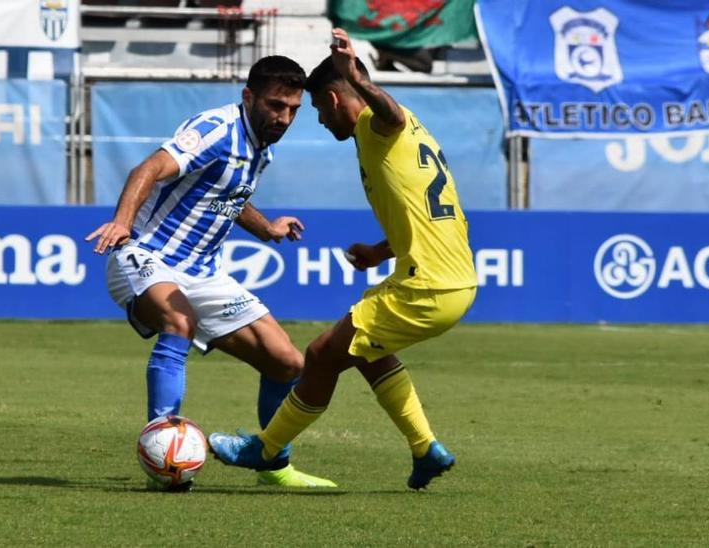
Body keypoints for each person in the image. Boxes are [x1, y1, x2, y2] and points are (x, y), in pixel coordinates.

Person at [208, 29, 478, 490]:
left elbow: (385, 113)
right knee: (367, 352)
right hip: (454, 281)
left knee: (319, 355)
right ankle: (425, 449)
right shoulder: (410, 130)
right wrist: (379, 250)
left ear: (335, 99)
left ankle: (265, 449)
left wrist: (360, 79)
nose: (316, 120)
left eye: (314, 109)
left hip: (426, 285)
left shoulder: (377, 124)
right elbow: (421, 215)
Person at [86, 55, 335, 489]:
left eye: (293, 109)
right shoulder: (216, 129)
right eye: (276, 105)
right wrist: (123, 222)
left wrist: (268, 228)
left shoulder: (262, 146)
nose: (285, 117)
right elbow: (147, 168)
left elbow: (229, 197)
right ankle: (161, 453)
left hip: (203, 273)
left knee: (287, 362)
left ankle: (273, 466)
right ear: (248, 96)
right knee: (179, 321)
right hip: (145, 254)